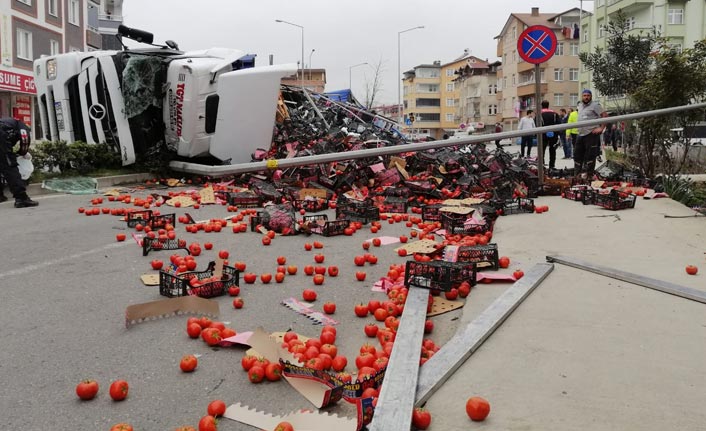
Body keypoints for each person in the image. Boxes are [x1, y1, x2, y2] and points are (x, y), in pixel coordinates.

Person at [0, 118, 38, 208]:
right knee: (10, 167)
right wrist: (22, 153)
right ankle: (21, 198)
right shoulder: (22, 126)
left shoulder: (8, 124)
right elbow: (25, 139)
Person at [574, 89, 607, 178]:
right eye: (584, 95)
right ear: (582, 96)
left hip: (591, 134)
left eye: (588, 96)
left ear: (591, 96)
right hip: (580, 134)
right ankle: (577, 175)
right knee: (577, 155)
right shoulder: (579, 105)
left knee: (590, 156)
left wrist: (601, 128)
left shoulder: (595, 105)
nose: (586, 97)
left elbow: (605, 115)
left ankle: (588, 176)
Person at [540, 100, 561, 170]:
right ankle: (552, 166)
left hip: (542, 134)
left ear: (541, 106)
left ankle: (542, 165)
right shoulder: (555, 114)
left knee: (541, 150)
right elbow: (559, 123)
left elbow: (536, 124)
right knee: (552, 150)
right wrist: (558, 134)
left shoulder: (540, 114)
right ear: (548, 105)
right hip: (553, 134)